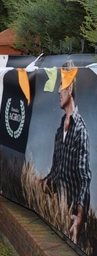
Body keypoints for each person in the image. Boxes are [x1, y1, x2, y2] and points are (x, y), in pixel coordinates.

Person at [45, 60, 91, 244]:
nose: (58, 91)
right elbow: (55, 172)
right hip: (57, 213)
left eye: (62, 86)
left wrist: (79, 216)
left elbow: (85, 177)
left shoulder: (80, 130)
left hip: (71, 216)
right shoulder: (58, 132)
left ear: (70, 89)